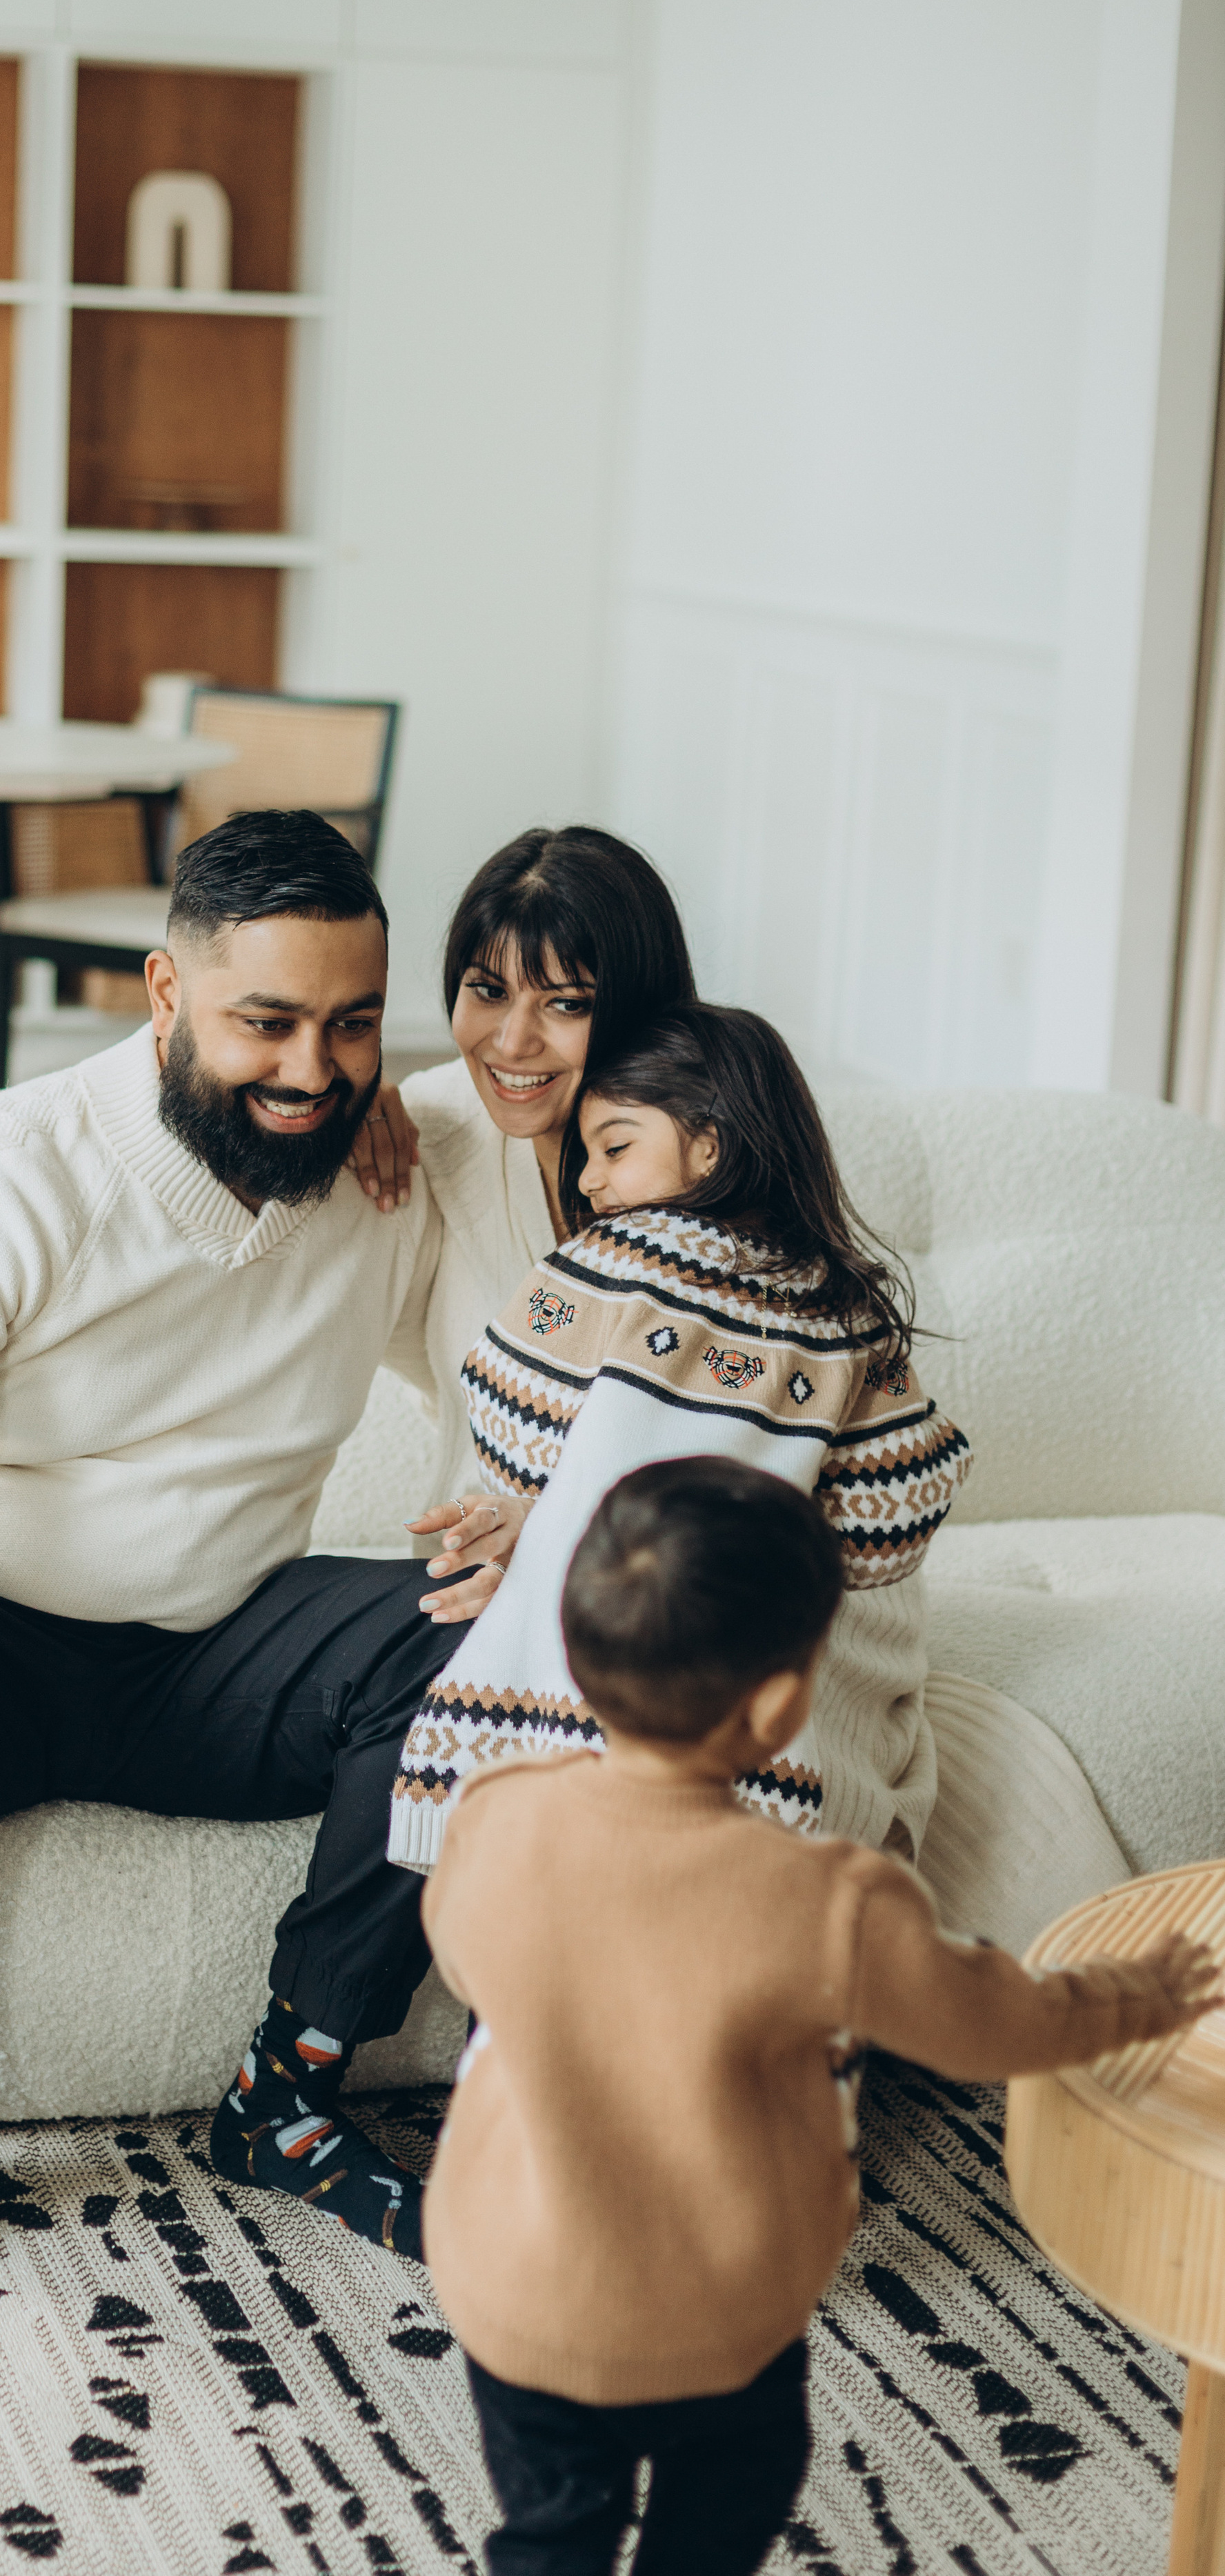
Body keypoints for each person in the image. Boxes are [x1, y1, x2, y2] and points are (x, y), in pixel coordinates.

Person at [0, 810, 476, 2329]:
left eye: (351, 1025)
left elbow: (572, 1104)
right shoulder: (13, 1166)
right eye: (266, 1021)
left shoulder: (391, 1162)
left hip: (210, 1653)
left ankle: (293, 2093)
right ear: (164, 993)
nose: (311, 1072)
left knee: (479, 1635)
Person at [421, 1457, 1220, 2576]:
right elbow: (992, 2028)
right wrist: (1136, 1995)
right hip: (715, 2313)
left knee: (553, 2525)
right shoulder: (833, 1904)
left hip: (507, 2284)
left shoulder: (495, 1813)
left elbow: (463, 1954)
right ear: (782, 1706)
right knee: (731, 2493)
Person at [390, 1003, 970, 1871]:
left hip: (569, 1688)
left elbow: (507, 1410)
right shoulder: (844, 1307)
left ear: (711, 1144)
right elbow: (898, 1516)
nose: (589, 1181)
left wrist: (540, 1510)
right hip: (745, 1722)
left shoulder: (611, 1262)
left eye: (615, 1148)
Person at [343, 825, 696, 1609]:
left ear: (637, 1009)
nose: (510, 1042)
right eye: (487, 990)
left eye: (566, 1004)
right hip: (461, 1600)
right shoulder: (435, 1123)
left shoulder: (715, 1172)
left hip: (668, 1609)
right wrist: (356, 1097)